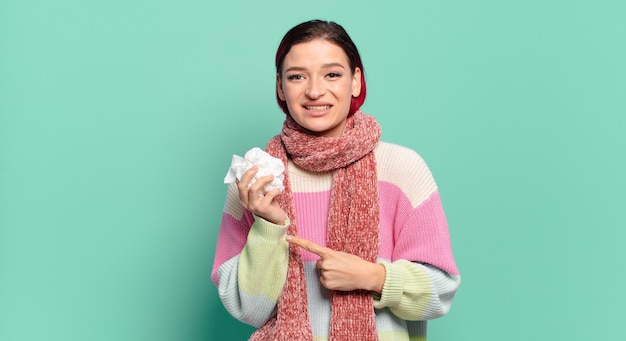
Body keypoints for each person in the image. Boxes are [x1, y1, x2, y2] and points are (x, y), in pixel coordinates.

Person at [212, 19, 460, 341]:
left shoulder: (401, 169)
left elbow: (441, 291)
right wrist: (268, 227)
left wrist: (372, 276)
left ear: (356, 81)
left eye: (332, 74)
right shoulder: (257, 180)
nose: (315, 91)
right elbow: (247, 309)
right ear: (280, 87)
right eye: (297, 76)